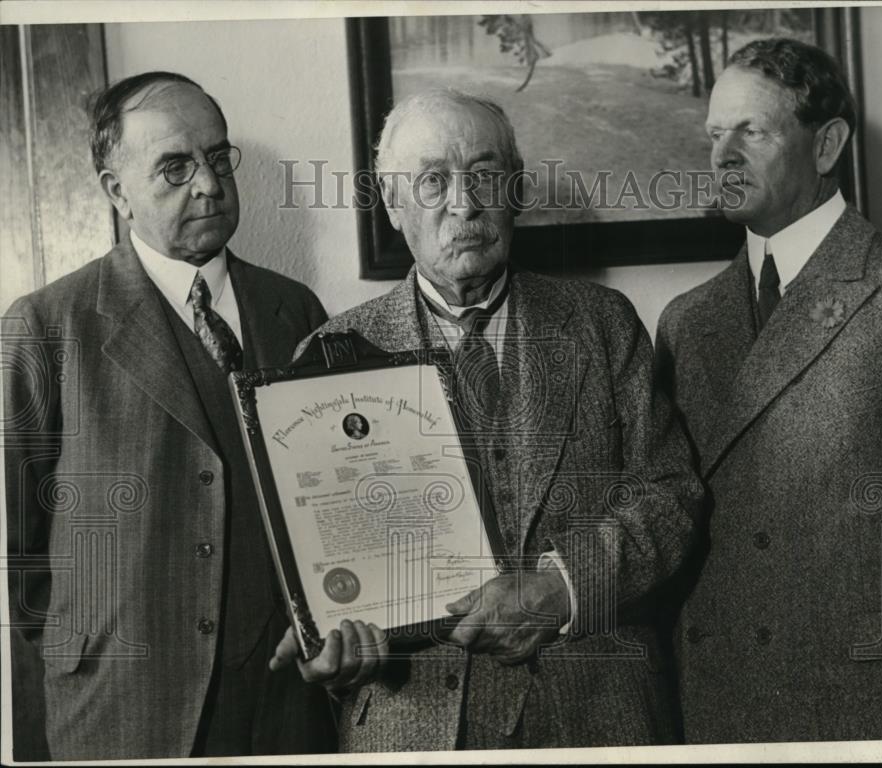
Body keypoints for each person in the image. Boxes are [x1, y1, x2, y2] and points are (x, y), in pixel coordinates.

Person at [270, 89, 704, 751]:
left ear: (517, 189)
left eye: (484, 174)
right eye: (433, 181)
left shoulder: (602, 323)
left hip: (596, 713)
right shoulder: (329, 356)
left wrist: (562, 590)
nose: (465, 205)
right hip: (414, 726)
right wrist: (331, 643)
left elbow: (672, 495)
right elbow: (321, 559)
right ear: (393, 203)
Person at [655, 38, 882, 742]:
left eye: (751, 131)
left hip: (878, 711)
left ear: (826, 145)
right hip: (721, 715)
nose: (723, 155)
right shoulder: (686, 321)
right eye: (714, 134)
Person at [2, 71, 335, 759]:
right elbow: (15, 552)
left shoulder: (296, 310)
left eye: (217, 158)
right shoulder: (46, 326)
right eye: (175, 167)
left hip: (283, 703)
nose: (208, 184)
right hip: (122, 712)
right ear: (117, 191)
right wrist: (89, 647)